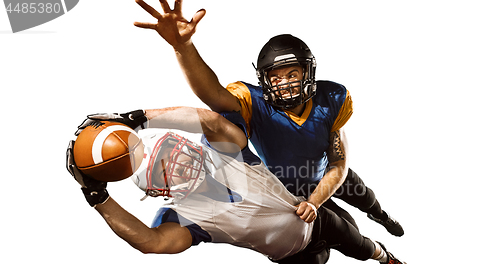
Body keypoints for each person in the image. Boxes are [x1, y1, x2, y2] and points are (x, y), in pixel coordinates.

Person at [132, 0, 404, 236]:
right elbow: (213, 96)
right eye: (275, 77)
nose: (283, 83)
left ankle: (381, 216)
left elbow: (338, 164)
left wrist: (318, 197)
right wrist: (184, 46)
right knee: (343, 228)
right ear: (264, 81)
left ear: (307, 73)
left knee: (366, 197)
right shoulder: (252, 100)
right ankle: (373, 247)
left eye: (291, 74)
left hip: (327, 174)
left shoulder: (333, 97)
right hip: (285, 186)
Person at [67, 107, 416, 264]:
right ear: (159, 192)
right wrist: (98, 198)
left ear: (182, 141)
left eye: (171, 150)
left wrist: (138, 118)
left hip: (310, 216)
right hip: (291, 252)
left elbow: (208, 120)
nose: (174, 162)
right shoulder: (184, 214)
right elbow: (151, 242)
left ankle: (383, 255)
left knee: (354, 240)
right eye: (162, 169)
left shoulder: (221, 151)